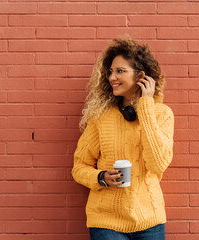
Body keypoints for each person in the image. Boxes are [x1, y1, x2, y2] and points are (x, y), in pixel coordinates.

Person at [71, 34, 174, 240]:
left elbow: (158, 164)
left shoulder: (162, 114)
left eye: (120, 71)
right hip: (106, 222)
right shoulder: (101, 117)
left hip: (149, 220)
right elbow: (79, 167)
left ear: (140, 76)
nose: (112, 78)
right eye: (110, 72)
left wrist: (145, 107)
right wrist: (101, 178)